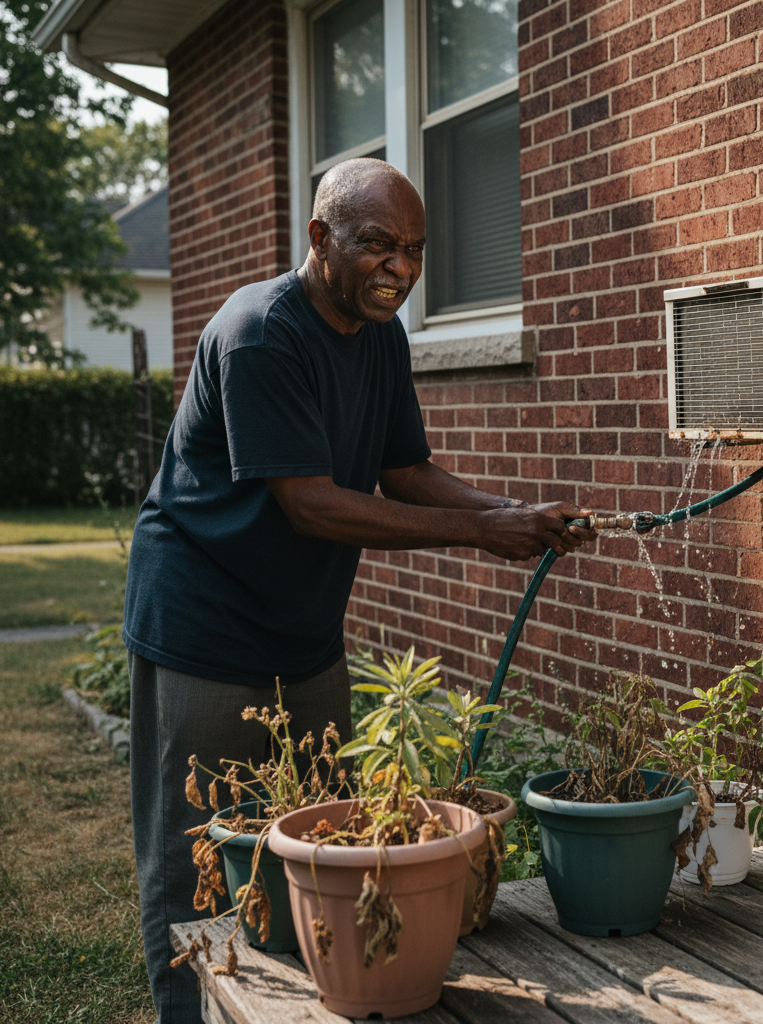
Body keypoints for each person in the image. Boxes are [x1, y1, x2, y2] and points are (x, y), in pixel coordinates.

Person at [122, 157, 595, 1022]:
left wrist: (514, 512)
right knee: (195, 856)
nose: (402, 270)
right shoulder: (262, 332)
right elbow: (310, 504)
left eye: (414, 250)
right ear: (319, 239)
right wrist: (482, 532)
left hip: (304, 629)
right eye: (378, 245)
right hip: (203, 621)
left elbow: (404, 471)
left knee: (317, 840)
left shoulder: (380, 334)